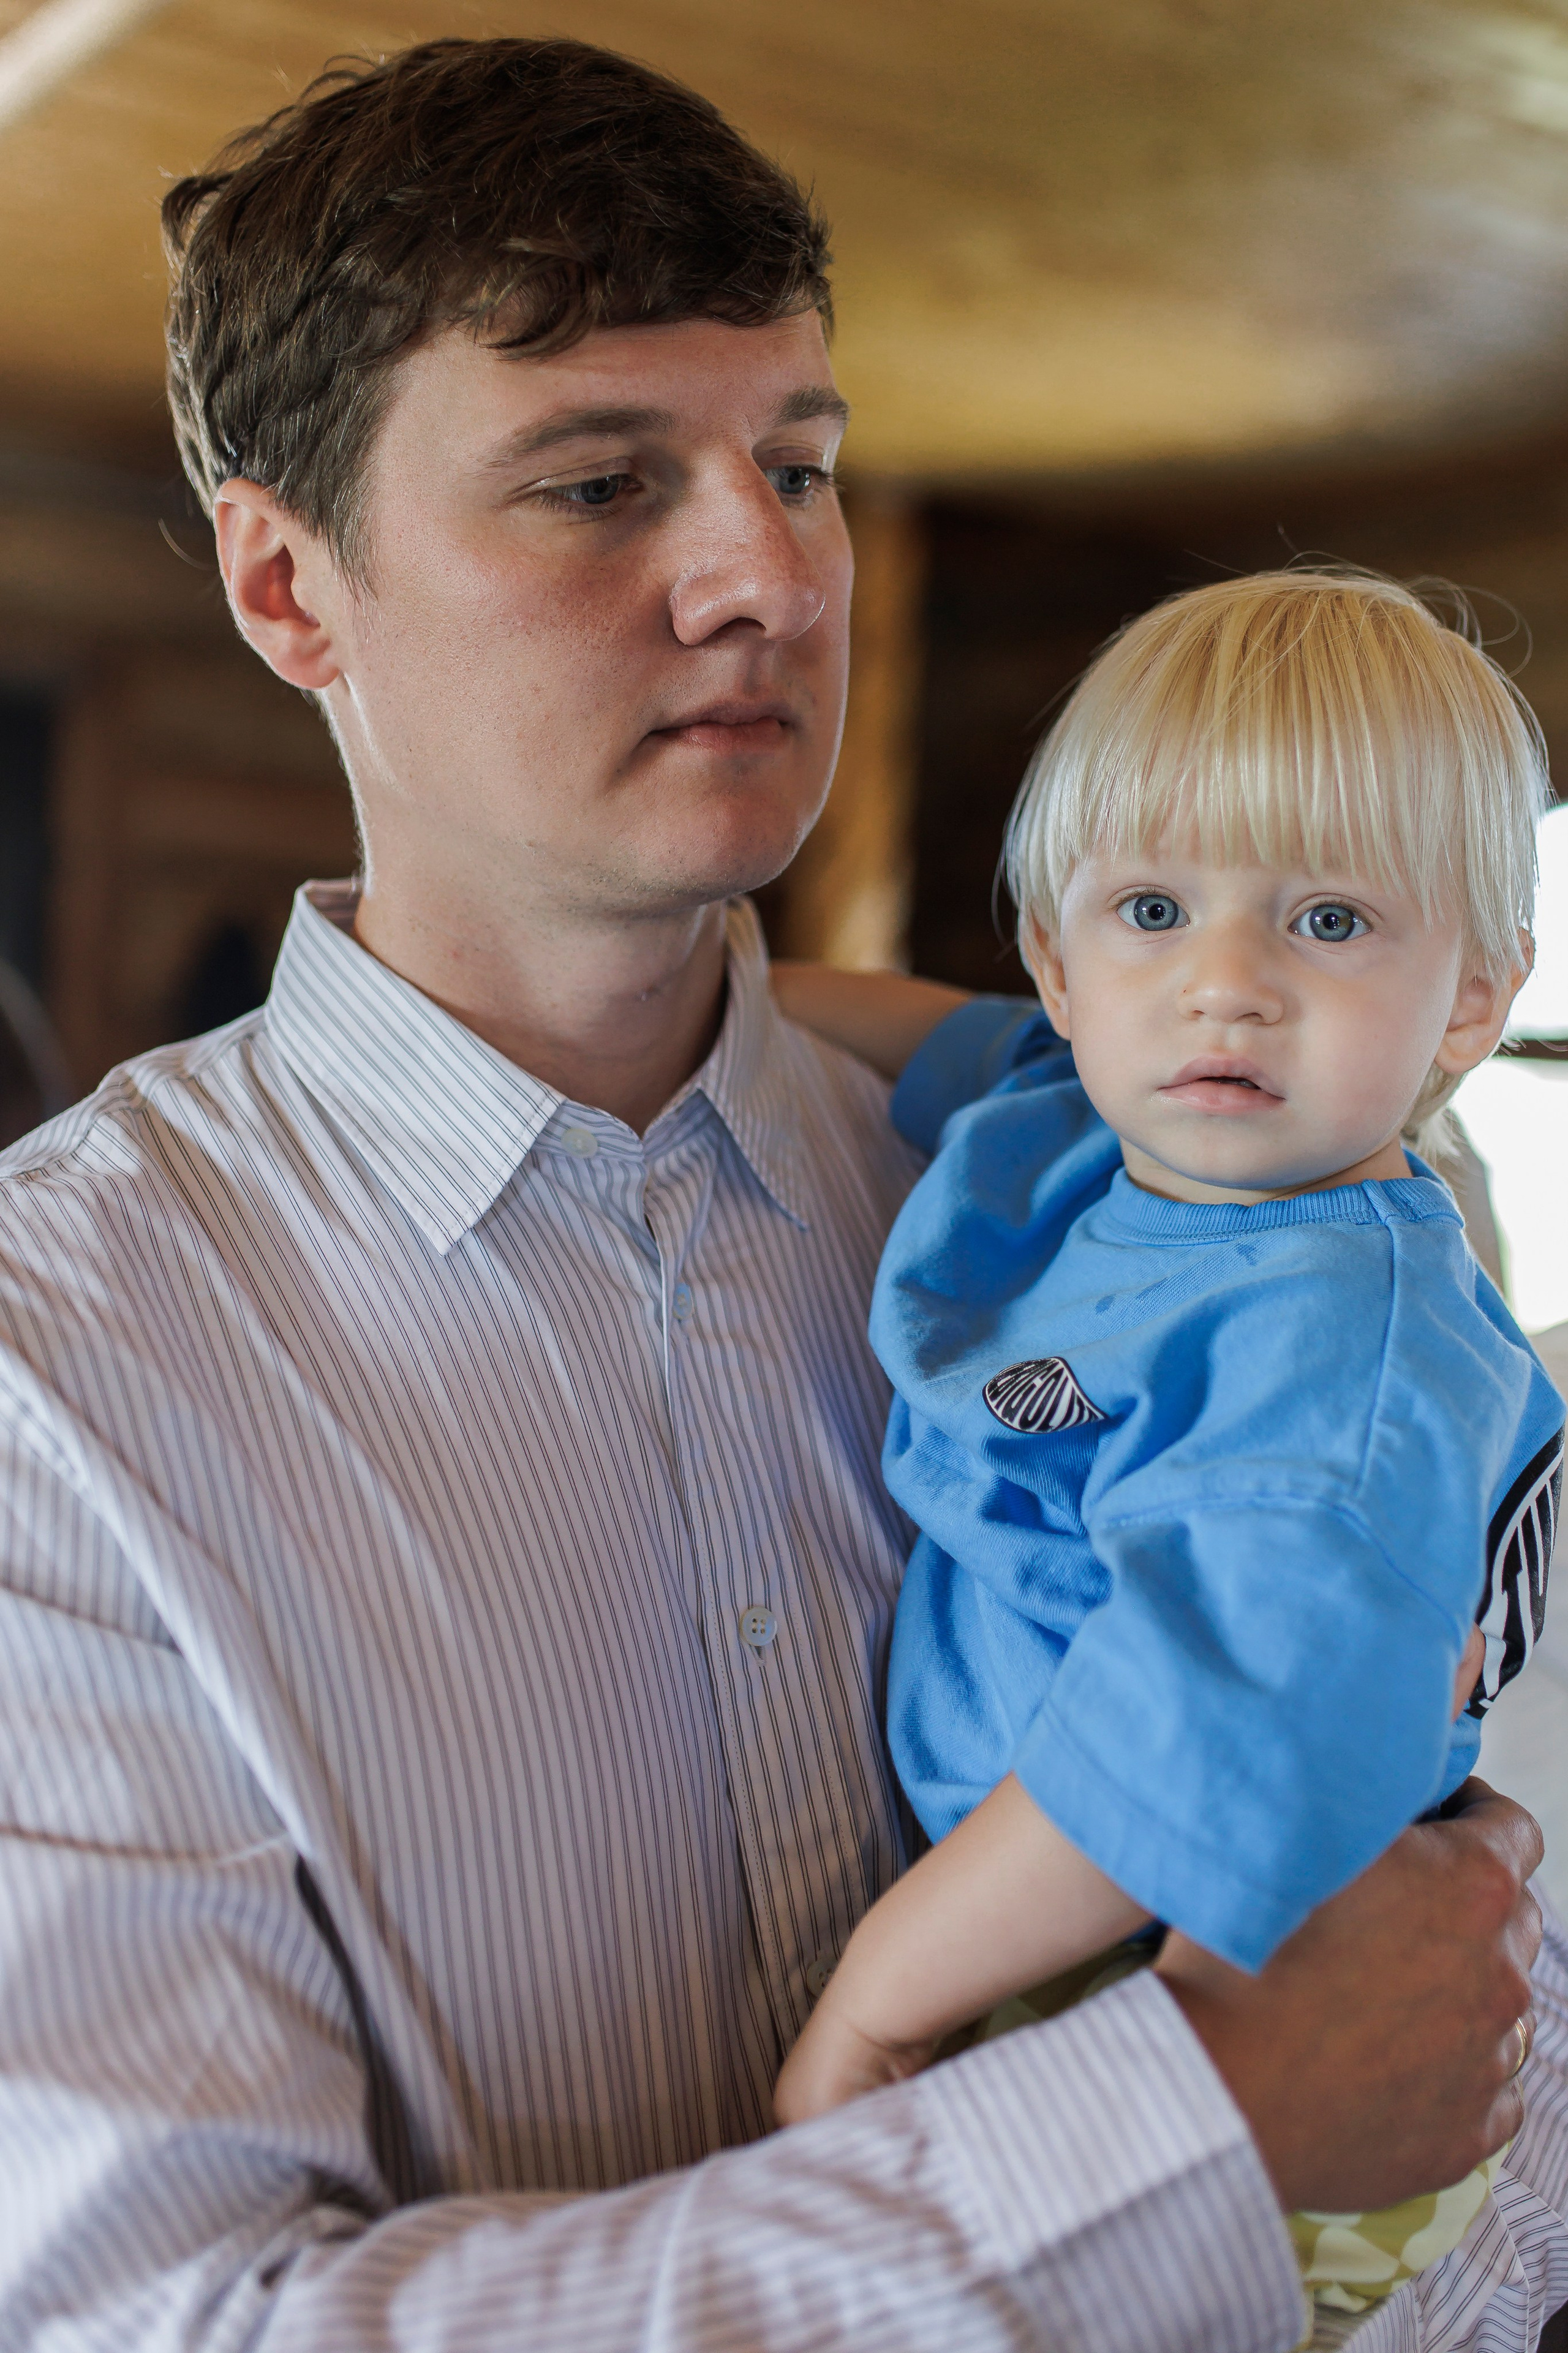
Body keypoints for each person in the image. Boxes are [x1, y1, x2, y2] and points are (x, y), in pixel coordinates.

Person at [0, 38, 1560, 2353]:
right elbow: (173, 2327)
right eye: (598, 479)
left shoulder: (1100, 1183)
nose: (769, 574)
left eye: (801, 464)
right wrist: (1203, 2132)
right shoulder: (51, 1374)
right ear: (290, 585)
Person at [771, 567, 1562, 2316]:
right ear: (1061, 961)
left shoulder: (1333, 1344)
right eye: (1152, 907)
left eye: (1330, 920)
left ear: (1469, 1000)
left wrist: (879, 2000)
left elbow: (1196, 1736)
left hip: (1216, 1981)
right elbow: (924, 1031)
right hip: (1057, 1932)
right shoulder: (1081, 1127)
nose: (1225, 985)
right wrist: (731, 986)